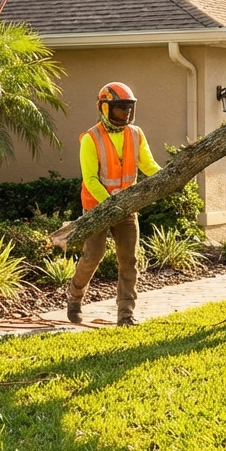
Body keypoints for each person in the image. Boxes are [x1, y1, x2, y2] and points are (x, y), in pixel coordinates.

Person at [68, 82, 161, 327]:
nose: (126, 114)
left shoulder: (136, 134)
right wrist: (112, 204)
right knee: (93, 255)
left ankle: (126, 314)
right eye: (120, 109)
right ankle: (75, 297)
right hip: (97, 209)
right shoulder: (91, 138)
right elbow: (90, 179)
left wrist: (170, 176)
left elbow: (148, 165)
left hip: (127, 210)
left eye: (129, 108)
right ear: (105, 108)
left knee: (129, 260)